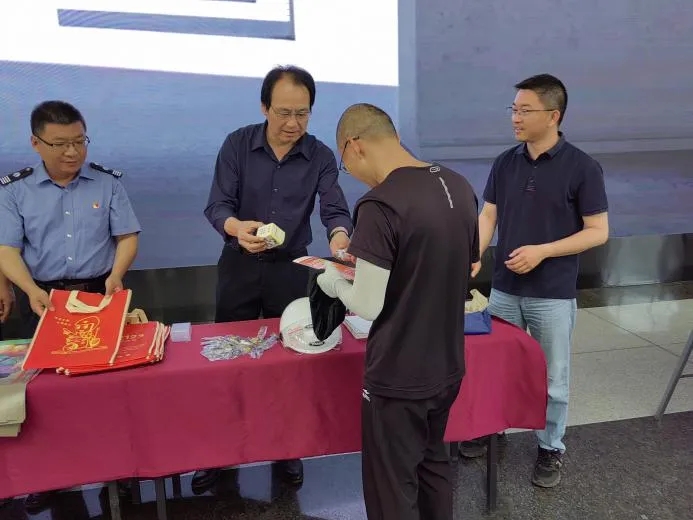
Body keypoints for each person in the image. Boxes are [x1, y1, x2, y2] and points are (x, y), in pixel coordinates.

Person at [317, 103, 479, 520]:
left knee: (391, 487)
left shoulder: (380, 204)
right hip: (447, 364)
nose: (352, 174)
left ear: (354, 146)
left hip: (398, 375)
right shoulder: (458, 185)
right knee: (433, 466)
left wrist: (332, 282)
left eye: (345, 164)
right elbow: (457, 267)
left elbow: (368, 305)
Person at [201, 65, 353, 491]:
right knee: (229, 359)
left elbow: (334, 210)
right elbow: (217, 205)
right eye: (284, 112)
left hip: (290, 270)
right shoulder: (237, 145)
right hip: (239, 265)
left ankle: (288, 449)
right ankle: (220, 452)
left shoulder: (320, 155)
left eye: (302, 113)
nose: (292, 123)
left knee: (291, 360)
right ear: (264, 107)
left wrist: (340, 239)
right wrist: (237, 228)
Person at [460, 74, 609, 488]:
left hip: (552, 294)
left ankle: (550, 447)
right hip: (504, 289)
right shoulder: (505, 162)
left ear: (553, 115)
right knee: (495, 367)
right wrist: (474, 253)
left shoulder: (582, 167)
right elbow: (489, 214)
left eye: (525, 110)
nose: (515, 118)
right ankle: (491, 428)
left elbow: (598, 231)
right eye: (514, 109)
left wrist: (543, 251)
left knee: (552, 377)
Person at [0, 100, 141, 512]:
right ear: (36, 143)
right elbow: (7, 249)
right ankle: (50, 477)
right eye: (60, 143)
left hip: (98, 295)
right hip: (43, 299)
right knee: (47, 395)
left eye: (80, 141)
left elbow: (127, 236)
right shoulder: (15, 190)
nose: (72, 152)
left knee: (107, 391)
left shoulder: (107, 183)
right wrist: (27, 288)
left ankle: (119, 472)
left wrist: (116, 274)